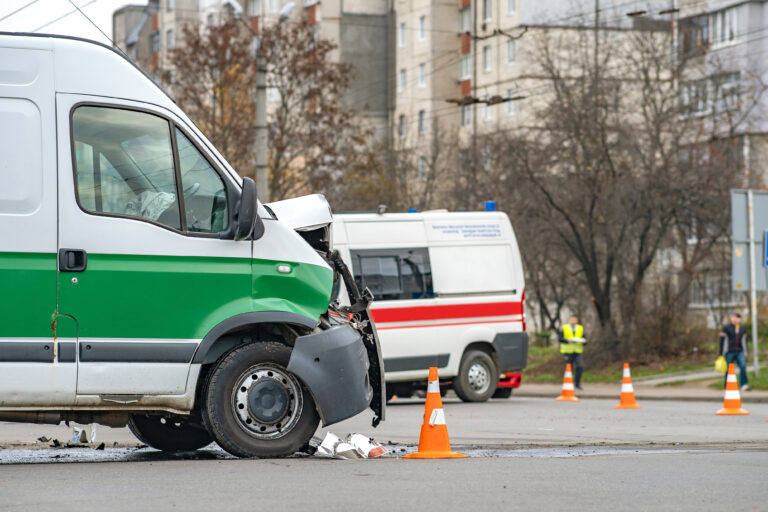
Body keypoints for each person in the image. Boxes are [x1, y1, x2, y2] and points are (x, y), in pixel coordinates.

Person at [719, 312, 750, 391]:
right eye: (734, 317)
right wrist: (721, 353)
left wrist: (746, 353)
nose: (736, 319)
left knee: (743, 366)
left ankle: (744, 384)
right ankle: (727, 385)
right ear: (731, 318)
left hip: (740, 351)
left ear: (740, 319)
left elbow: (744, 342)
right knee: (729, 369)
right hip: (729, 352)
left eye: (738, 317)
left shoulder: (742, 329)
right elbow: (722, 341)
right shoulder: (726, 328)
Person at [559, 315, 585, 390]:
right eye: (572, 319)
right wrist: (567, 340)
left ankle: (577, 384)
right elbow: (560, 339)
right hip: (567, 351)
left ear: (577, 321)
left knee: (580, 366)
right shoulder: (564, 327)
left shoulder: (580, 328)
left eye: (575, 320)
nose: (573, 321)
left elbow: (583, 338)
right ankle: (567, 384)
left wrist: (583, 342)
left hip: (577, 351)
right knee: (568, 368)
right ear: (569, 320)